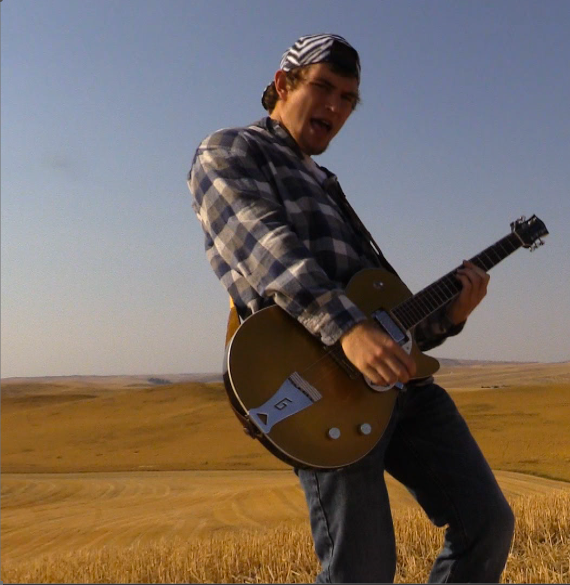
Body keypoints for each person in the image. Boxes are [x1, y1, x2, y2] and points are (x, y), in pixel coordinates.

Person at [188, 34, 514, 583]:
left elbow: (385, 315)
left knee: (487, 524)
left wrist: (449, 315)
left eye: (348, 98)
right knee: (362, 570)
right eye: (323, 88)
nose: (335, 108)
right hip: (321, 394)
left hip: (401, 386)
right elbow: (266, 250)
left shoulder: (326, 184)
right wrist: (347, 331)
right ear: (282, 84)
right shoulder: (229, 150)